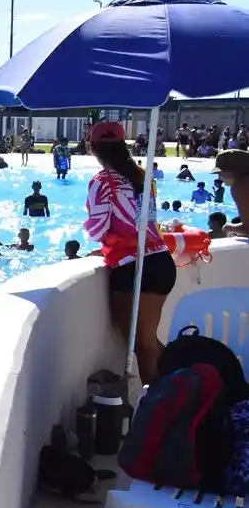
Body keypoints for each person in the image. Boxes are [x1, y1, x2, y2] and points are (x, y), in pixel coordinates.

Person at [84, 120, 175, 382]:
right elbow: (148, 221)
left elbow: (97, 229)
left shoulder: (102, 181)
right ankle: (185, 387)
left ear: (93, 148)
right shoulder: (141, 177)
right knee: (150, 342)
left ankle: (161, 409)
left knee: (142, 346)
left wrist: (104, 245)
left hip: (133, 267)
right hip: (160, 261)